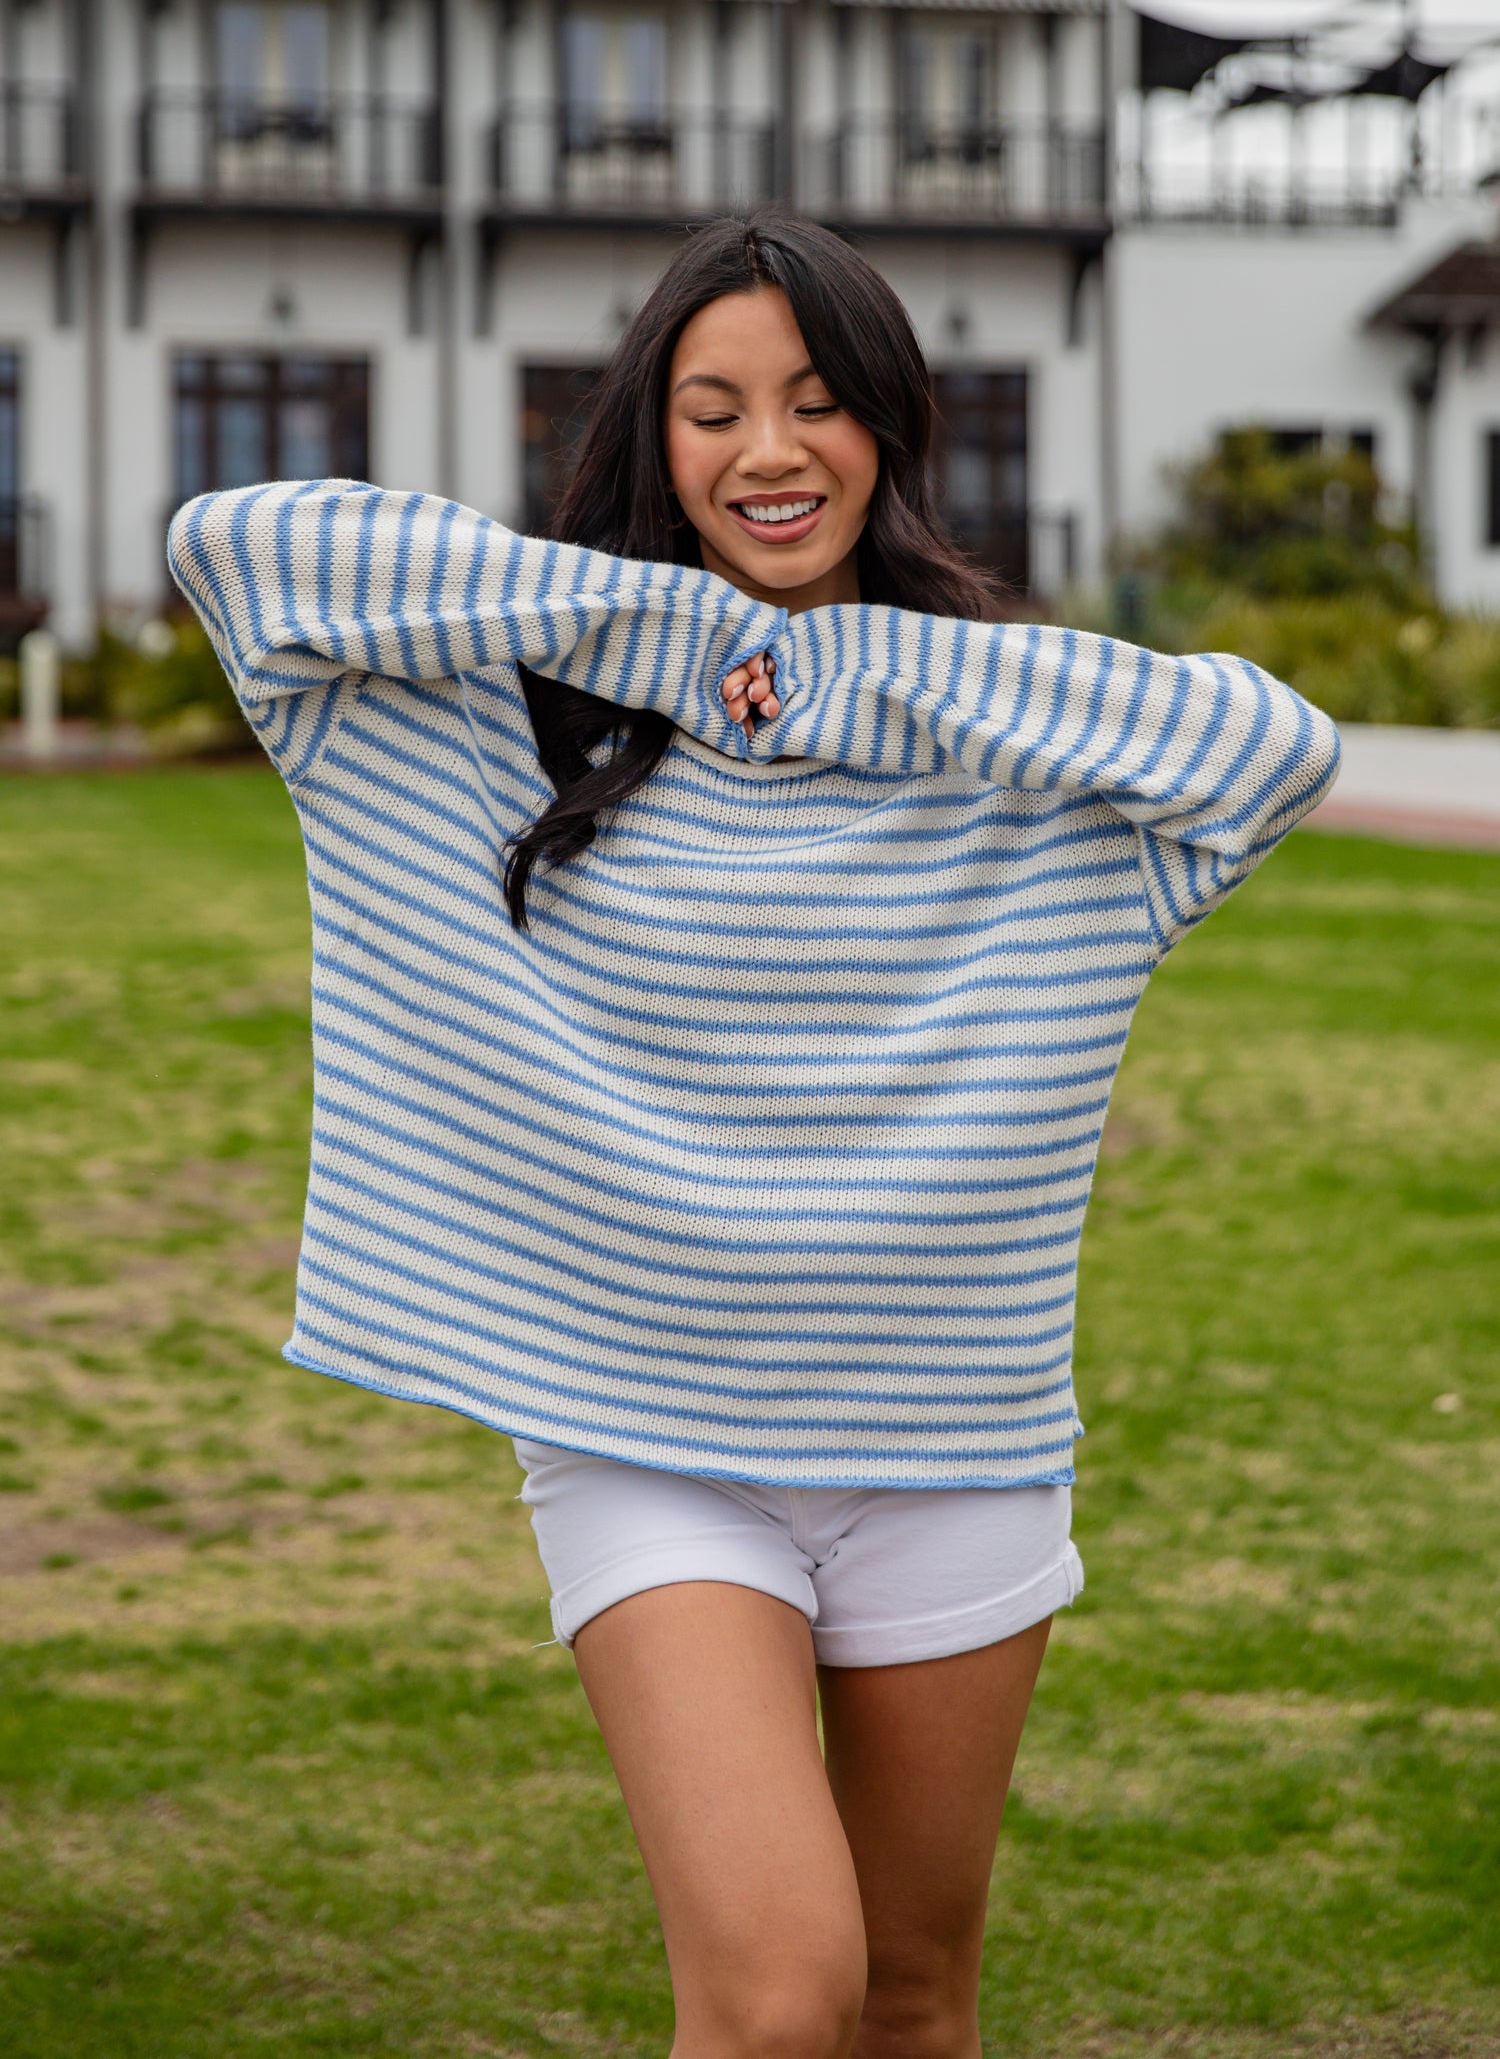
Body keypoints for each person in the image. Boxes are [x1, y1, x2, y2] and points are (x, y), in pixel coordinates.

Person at [170, 212, 1340, 2059]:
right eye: (710, 411)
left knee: (910, 1997)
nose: (768, 452)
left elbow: (1269, 744)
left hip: (950, 1431)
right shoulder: (504, 707)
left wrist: (846, 676)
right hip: (652, 1434)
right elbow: (244, 547)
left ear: (888, 422)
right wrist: (680, 631)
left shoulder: (1014, 743)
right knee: (780, 1991)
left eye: (814, 403)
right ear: (654, 437)